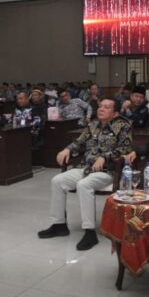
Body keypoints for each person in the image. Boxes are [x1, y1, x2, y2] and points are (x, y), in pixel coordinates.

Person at [38, 97, 132, 251]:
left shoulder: (123, 126)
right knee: (57, 181)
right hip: (86, 168)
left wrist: (105, 157)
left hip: (107, 171)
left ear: (115, 113)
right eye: (100, 106)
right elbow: (79, 142)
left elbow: (126, 148)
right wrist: (67, 149)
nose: (101, 109)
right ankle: (59, 225)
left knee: (83, 185)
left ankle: (89, 232)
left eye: (107, 107)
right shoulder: (93, 124)